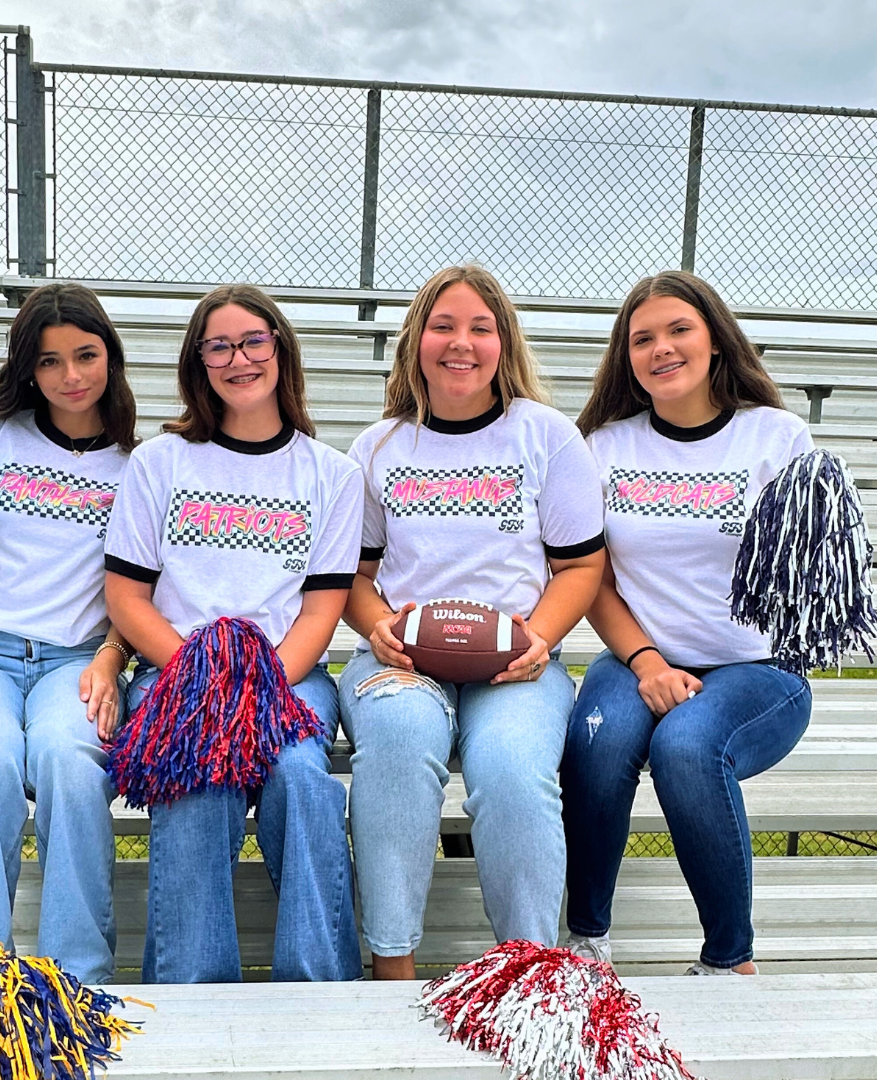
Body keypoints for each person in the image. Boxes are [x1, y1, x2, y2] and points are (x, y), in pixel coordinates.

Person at [338, 265, 606, 979]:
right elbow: (354, 581)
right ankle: (391, 965)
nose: (462, 343)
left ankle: (531, 974)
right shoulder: (378, 448)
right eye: (443, 326)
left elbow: (581, 567)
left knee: (513, 769)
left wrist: (540, 638)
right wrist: (379, 629)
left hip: (515, 660)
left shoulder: (547, 438)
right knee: (397, 742)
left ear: (504, 342)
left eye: (480, 328)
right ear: (415, 341)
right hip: (400, 659)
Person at [103, 284, 364, 984]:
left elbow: (320, 611)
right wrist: (206, 676)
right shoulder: (161, 463)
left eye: (252, 340)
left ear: (279, 348)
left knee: (304, 780)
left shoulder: (332, 474)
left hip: (290, 674)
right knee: (199, 780)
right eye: (217, 345)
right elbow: (126, 598)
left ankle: (319, 996)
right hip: (175, 673)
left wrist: (256, 686)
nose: (237, 358)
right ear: (198, 362)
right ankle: (193, 998)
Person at [560, 270, 814, 976]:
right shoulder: (605, 447)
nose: (661, 349)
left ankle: (728, 960)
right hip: (641, 656)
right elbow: (591, 581)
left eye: (678, 330)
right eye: (642, 338)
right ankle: (586, 939)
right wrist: (647, 662)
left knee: (687, 747)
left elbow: (809, 570)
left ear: (715, 341)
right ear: (626, 356)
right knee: (596, 744)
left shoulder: (779, 437)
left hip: (756, 668)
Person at [0, 282, 138, 983]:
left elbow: (140, 593)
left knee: (71, 766)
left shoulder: (139, 465)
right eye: (49, 362)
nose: (71, 376)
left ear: (111, 356)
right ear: (27, 368)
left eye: (85, 355)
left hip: (74, 661)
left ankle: (77, 981)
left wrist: (111, 655)